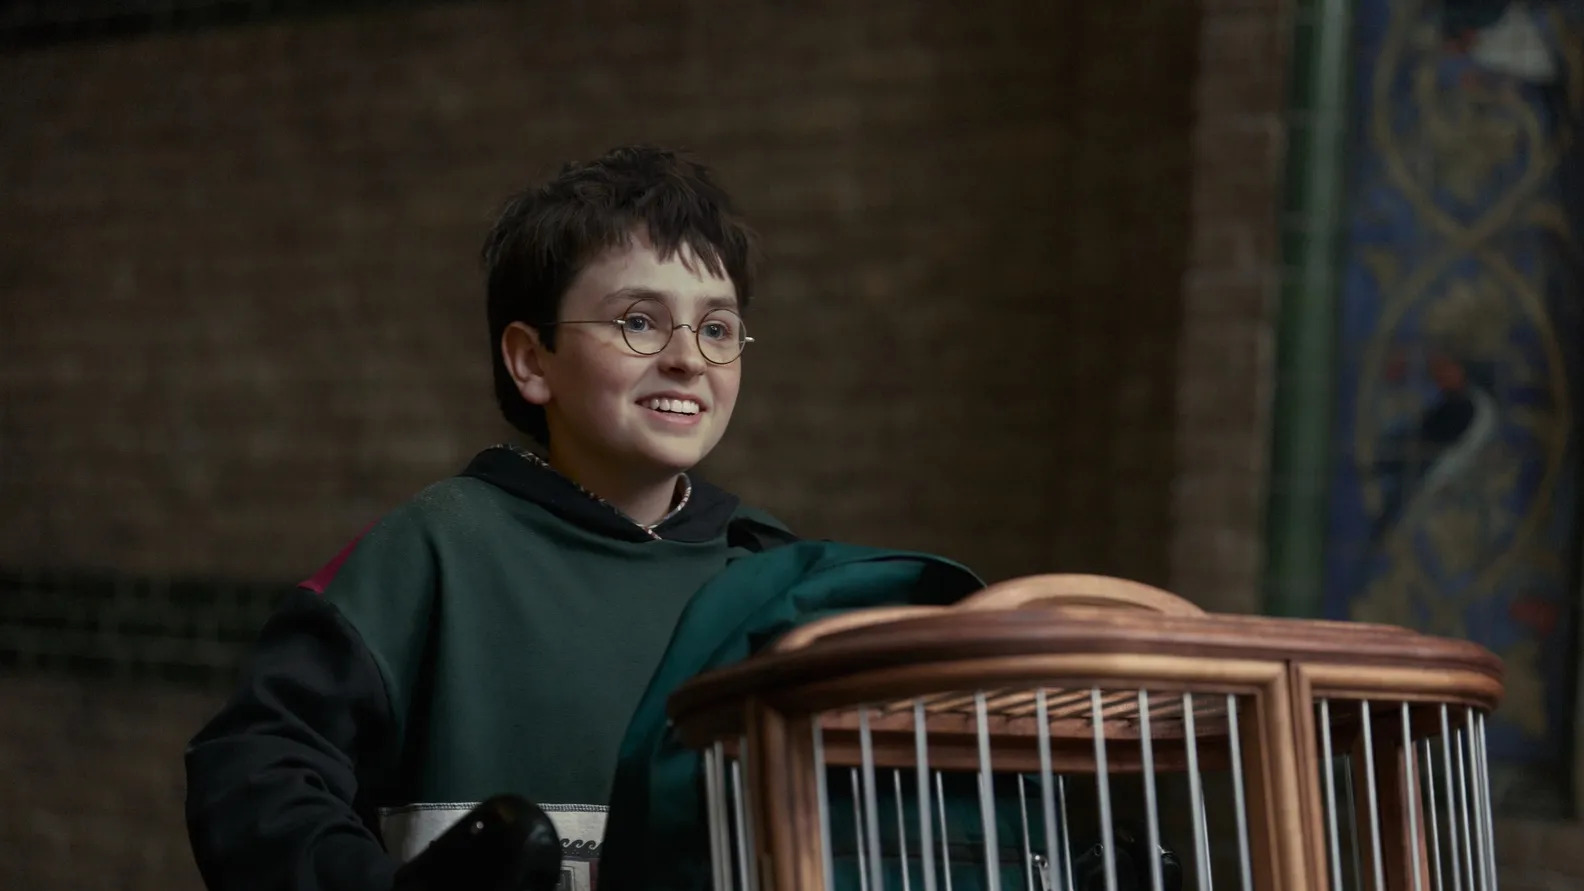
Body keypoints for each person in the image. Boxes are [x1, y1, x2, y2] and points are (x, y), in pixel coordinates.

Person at [184, 145, 795, 891]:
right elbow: (253, 772)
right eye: (640, 321)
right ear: (531, 360)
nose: (689, 359)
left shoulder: (772, 575)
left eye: (718, 329)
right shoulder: (436, 550)